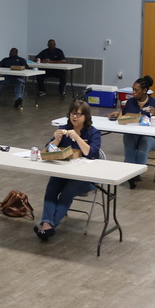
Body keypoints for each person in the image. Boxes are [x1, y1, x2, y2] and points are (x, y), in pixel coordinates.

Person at [35, 100, 102, 240]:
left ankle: (48, 226)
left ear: (86, 117)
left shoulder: (93, 133)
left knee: (66, 193)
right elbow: (46, 152)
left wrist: (77, 138)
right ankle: (47, 223)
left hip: (86, 176)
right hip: (64, 172)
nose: (75, 117)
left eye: (78, 114)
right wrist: (56, 140)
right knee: (51, 189)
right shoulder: (63, 128)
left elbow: (92, 154)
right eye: (73, 113)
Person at [108, 75, 155, 188]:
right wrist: (118, 115)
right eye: (132, 89)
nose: (133, 92)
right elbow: (126, 116)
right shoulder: (131, 102)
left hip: (153, 136)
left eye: (136, 90)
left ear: (144, 91)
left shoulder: (154, 103)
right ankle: (131, 174)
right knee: (128, 140)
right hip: (135, 133)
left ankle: (136, 174)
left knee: (143, 145)